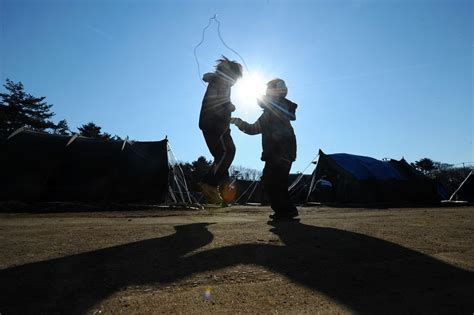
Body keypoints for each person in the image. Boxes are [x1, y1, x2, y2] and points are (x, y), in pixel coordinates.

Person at [231, 78, 298, 220]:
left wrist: (262, 102)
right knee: (274, 181)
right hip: (279, 153)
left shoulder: (277, 109)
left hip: (280, 152)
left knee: (274, 181)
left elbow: (254, 128)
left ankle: (286, 211)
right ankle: (285, 210)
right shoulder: (275, 109)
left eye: (269, 90)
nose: (267, 92)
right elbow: (254, 129)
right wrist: (239, 122)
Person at [198, 56, 243, 204]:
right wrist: (229, 106)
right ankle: (209, 184)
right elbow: (218, 101)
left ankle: (212, 194)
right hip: (216, 124)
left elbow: (216, 97)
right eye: (236, 78)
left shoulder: (219, 82)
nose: (236, 82)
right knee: (228, 151)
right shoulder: (223, 82)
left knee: (220, 157)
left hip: (210, 123)